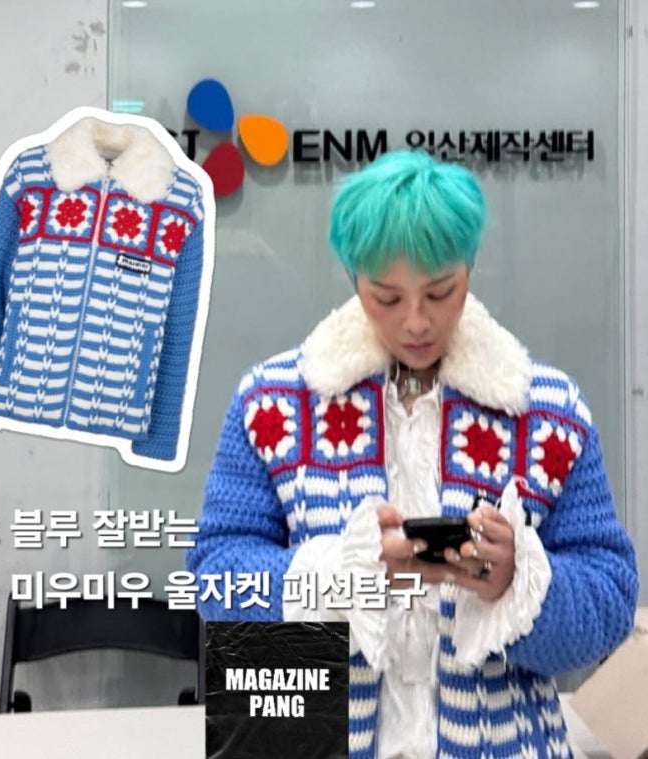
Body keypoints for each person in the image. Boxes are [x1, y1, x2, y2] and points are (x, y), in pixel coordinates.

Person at [185, 150, 638, 759]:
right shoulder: (272, 405)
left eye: (441, 292)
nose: (417, 323)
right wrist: (337, 579)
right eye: (387, 297)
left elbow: (609, 601)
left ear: (470, 267)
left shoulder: (548, 413)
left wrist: (518, 583)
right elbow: (216, 577)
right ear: (354, 278)